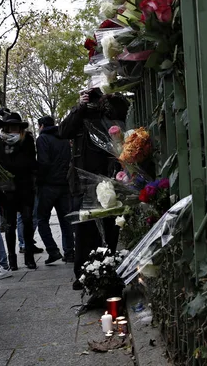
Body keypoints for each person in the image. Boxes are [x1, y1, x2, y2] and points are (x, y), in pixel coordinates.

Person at [58, 88, 129, 290]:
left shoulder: (109, 115)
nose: (93, 104)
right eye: (90, 99)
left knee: (110, 226)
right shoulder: (79, 114)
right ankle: (83, 273)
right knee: (83, 228)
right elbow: (63, 131)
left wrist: (110, 102)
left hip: (108, 178)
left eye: (96, 100)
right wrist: (79, 108)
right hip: (82, 180)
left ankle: (109, 266)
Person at [0, 112, 38, 270]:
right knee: (9, 225)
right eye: (10, 126)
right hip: (8, 190)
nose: (13, 129)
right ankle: (12, 259)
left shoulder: (27, 139)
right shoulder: (0, 142)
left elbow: (30, 162)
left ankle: (29, 257)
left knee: (27, 222)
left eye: (16, 126)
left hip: (25, 187)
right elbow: (0, 163)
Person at [35, 115, 74, 264]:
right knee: (66, 221)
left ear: (42, 126)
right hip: (64, 185)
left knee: (42, 219)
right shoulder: (64, 139)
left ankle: (53, 250)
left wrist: (39, 180)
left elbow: (43, 162)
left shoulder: (42, 139)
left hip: (48, 185)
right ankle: (69, 252)